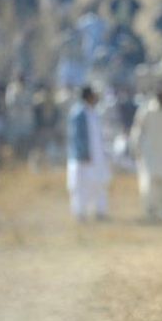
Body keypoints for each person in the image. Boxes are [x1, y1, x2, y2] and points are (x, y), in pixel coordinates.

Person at [66, 86, 111, 221]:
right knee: (80, 186)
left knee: (98, 184)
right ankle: (80, 213)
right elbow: (76, 137)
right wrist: (83, 154)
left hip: (96, 157)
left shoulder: (93, 113)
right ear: (88, 96)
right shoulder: (78, 113)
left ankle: (99, 211)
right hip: (83, 159)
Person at [130, 90, 162, 221]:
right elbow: (137, 129)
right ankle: (149, 210)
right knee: (149, 182)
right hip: (149, 152)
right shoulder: (147, 110)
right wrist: (135, 147)